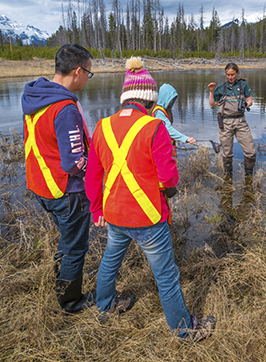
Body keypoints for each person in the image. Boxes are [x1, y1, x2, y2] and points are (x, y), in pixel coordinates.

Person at [85, 57, 215, 341]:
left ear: (125, 97)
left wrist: (97, 210)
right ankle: (184, 330)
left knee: (110, 261)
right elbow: (169, 178)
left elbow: (93, 177)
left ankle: (104, 306)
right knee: (166, 276)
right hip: (148, 217)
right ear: (149, 99)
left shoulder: (102, 127)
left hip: (114, 214)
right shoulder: (154, 127)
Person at [21, 43, 95, 314]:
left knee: (67, 240)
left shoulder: (37, 96)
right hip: (65, 189)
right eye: (89, 72)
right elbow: (75, 163)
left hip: (41, 184)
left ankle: (62, 284)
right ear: (77, 71)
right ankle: (71, 301)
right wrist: (99, 172)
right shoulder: (65, 108)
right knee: (76, 246)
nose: (88, 77)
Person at [208, 63, 256, 178]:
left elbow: (250, 101)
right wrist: (211, 92)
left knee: (251, 151)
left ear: (237, 73)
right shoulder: (221, 87)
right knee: (227, 153)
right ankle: (228, 175)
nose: (230, 77)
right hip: (226, 123)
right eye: (228, 75)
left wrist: (245, 104)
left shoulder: (243, 85)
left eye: (232, 75)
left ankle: (248, 175)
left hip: (240, 122)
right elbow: (212, 105)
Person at [153, 83, 196, 151]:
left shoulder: (163, 110)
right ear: (165, 97)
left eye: (173, 99)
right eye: (170, 98)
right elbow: (168, 129)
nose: (172, 101)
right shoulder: (158, 113)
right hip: (158, 148)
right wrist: (186, 138)